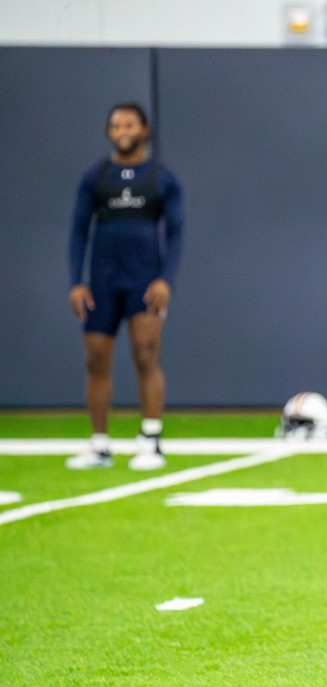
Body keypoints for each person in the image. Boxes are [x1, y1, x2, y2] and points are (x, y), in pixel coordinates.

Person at [66, 102, 183, 471]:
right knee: (96, 359)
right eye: (116, 125)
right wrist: (76, 282)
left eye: (130, 124)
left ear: (145, 130)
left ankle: (151, 440)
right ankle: (100, 445)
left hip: (144, 281)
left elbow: (177, 232)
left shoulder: (162, 178)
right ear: (109, 132)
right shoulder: (95, 177)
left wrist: (166, 278)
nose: (123, 130)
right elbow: (78, 231)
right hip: (102, 281)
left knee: (146, 354)